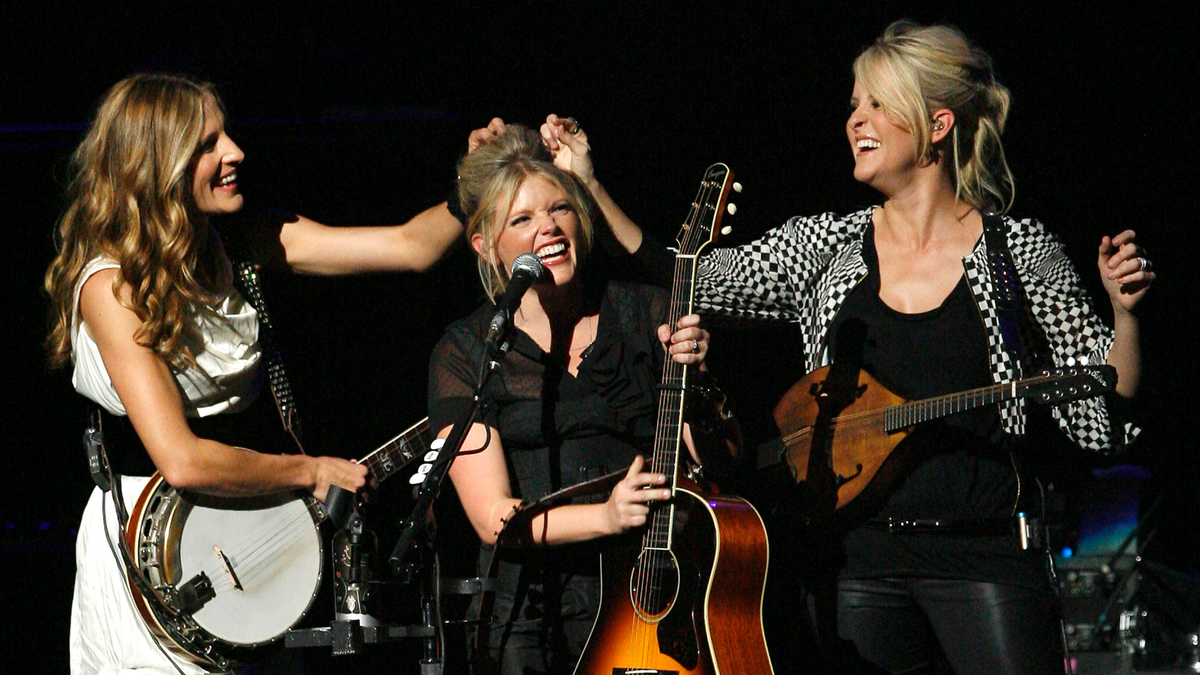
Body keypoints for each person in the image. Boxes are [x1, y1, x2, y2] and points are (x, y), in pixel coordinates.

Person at [548, 20, 1153, 675]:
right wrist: (587, 181)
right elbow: (689, 273)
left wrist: (1124, 314)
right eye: (853, 105)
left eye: (877, 105)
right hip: (857, 567)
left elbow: (1101, 411)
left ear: (937, 125)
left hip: (989, 562)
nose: (855, 120)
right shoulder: (825, 247)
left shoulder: (1020, 252)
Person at [43, 73, 465, 674]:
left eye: (228, 136)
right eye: (208, 143)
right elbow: (182, 459)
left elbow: (408, 246)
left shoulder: (240, 240)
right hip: (150, 547)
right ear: (158, 164)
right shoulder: (112, 285)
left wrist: (476, 181)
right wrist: (312, 471)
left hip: (248, 529)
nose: (235, 153)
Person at [426, 124, 736, 674]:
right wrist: (606, 516)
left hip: (647, 596)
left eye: (560, 209)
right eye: (521, 220)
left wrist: (702, 387)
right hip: (527, 615)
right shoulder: (466, 352)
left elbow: (719, 462)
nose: (548, 227)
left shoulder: (647, 312)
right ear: (485, 245)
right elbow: (493, 518)